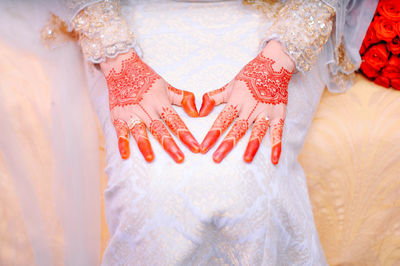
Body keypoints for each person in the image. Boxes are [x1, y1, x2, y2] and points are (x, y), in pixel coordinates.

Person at [0, 0, 377, 265]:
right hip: (124, 15)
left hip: (277, 13)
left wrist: (279, 58)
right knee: (151, 192)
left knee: (246, 188)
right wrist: (116, 54)